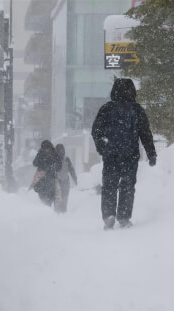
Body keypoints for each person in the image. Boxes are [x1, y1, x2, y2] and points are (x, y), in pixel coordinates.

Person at [91, 78, 157, 230]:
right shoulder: (137, 110)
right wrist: (151, 153)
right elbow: (145, 133)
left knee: (109, 186)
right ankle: (124, 217)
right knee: (127, 186)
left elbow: (96, 130)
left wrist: (102, 146)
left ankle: (108, 215)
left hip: (111, 155)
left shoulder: (106, 109)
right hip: (130, 154)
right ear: (132, 91)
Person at [29, 140, 61, 207]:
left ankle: (48, 210)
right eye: (44, 148)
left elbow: (59, 166)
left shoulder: (54, 154)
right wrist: (41, 160)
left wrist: (52, 167)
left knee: (50, 197)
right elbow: (34, 163)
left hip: (51, 179)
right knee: (42, 197)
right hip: (42, 179)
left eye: (47, 148)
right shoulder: (41, 153)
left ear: (50, 147)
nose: (46, 150)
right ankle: (43, 210)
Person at [53, 143, 78, 213]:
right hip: (58, 182)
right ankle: (58, 213)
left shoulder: (66, 159)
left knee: (63, 199)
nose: (61, 152)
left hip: (64, 182)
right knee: (59, 199)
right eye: (59, 150)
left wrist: (76, 180)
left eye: (62, 150)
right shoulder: (54, 160)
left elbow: (72, 170)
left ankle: (62, 213)